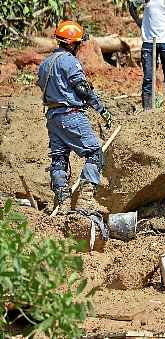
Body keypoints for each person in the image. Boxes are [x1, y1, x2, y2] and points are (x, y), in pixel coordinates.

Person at [37, 20, 112, 213]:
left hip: (52, 118)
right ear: (71, 43)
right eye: (78, 43)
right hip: (71, 115)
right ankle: (86, 199)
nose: (79, 47)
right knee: (94, 152)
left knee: (59, 159)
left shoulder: (45, 64)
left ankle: (62, 203)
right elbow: (82, 89)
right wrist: (101, 109)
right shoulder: (69, 61)